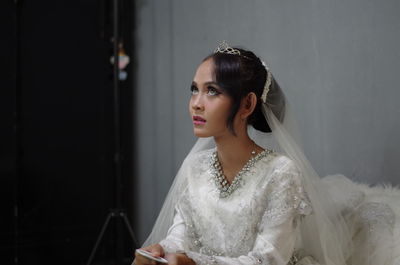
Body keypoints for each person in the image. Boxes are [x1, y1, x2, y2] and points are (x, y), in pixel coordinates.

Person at [134, 41, 399, 265]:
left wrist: (193, 261)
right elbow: (181, 236)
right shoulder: (195, 167)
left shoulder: (280, 172)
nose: (196, 104)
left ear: (247, 103)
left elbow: (267, 259)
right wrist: (161, 250)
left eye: (211, 91)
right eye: (194, 89)